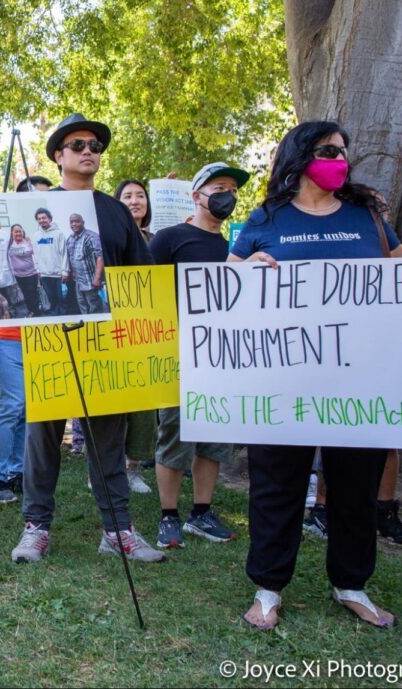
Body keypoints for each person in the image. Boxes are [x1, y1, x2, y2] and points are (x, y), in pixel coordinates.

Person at [230, 120, 402, 629]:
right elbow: (226, 285)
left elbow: (401, 271)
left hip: (360, 383)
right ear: (301, 157)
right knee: (276, 485)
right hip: (283, 382)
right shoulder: (267, 218)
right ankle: (268, 588)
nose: (340, 159)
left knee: (354, 485)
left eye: (345, 152)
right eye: (329, 150)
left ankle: (352, 583)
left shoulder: (366, 217)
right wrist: (247, 270)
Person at [10, 113, 163, 564]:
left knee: (107, 439)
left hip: (107, 342)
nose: (88, 151)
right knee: (43, 437)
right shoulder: (34, 209)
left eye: (95, 145)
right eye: (77, 145)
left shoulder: (115, 213)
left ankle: (117, 530)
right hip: (49, 341)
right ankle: (35, 527)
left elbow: (144, 278)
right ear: (58, 156)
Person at [148, 162, 250, 549]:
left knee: (215, 436)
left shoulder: (241, 247)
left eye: (233, 190)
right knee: (175, 432)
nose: (228, 195)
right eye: (219, 187)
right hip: (178, 353)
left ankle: (201, 513)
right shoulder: (169, 238)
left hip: (224, 355)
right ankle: (168, 515)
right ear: (196, 196)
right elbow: (146, 292)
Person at [112, 178, 158, 496]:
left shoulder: (158, 239)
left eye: (140, 195)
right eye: (127, 196)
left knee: (143, 406)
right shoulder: (109, 235)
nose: (134, 200)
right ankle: (107, 467)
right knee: (114, 405)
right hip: (114, 331)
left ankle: (133, 468)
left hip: (147, 331)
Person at [66, 212, 106, 313]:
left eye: (77, 221)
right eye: (72, 222)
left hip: (90, 281)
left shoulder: (91, 236)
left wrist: (97, 278)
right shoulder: (70, 239)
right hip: (78, 282)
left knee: (94, 307)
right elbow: (71, 258)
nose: (74, 224)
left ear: (83, 222)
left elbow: (100, 257)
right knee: (82, 306)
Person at [32, 206, 68, 315]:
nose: (42, 220)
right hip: (44, 274)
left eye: (44, 218)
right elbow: (35, 254)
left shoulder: (59, 234)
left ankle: (64, 317)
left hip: (58, 274)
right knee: (51, 299)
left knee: (62, 299)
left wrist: (65, 271)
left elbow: (64, 253)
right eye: (39, 219)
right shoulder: (36, 235)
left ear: (50, 219)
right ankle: (54, 318)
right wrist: (38, 270)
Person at [6, 224, 41, 316]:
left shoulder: (28, 242)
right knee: (25, 294)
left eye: (19, 231)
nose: (18, 233)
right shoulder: (9, 244)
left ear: (23, 232)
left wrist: (39, 269)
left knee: (32, 294)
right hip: (18, 275)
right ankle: (31, 310)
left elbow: (32, 253)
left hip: (31, 274)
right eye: (16, 231)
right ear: (12, 233)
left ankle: (35, 312)